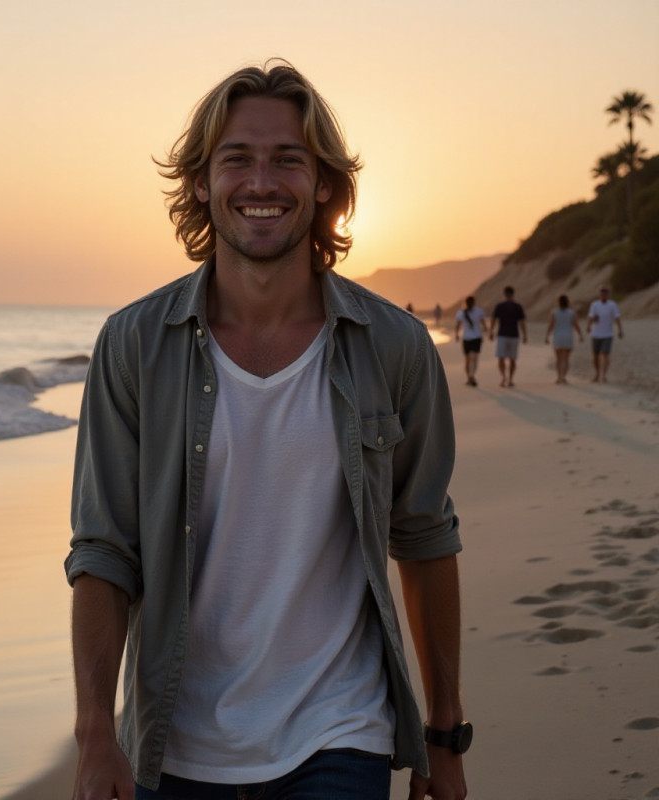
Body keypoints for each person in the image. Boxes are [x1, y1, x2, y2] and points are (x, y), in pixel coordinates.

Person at [65, 60, 469, 800]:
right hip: (172, 744)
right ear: (200, 183)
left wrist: (445, 737)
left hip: (340, 729)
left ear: (323, 186)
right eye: (236, 160)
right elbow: (103, 550)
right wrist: (95, 734)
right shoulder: (133, 345)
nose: (261, 182)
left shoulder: (395, 347)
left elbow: (424, 538)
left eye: (288, 159)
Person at [489, 285, 527, 387]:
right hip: (514, 335)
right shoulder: (517, 306)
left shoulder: (500, 306)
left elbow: (493, 320)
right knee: (512, 359)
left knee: (501, 358)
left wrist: (491, 331)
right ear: (513, 294)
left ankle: (504, 377)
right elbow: (522, 322)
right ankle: (510, 379)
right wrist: (524, 335)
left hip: (502, 335)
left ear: (504, 294)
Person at [586, 285, 623, 382]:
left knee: (605, 354)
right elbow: (591, 316)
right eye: (602, 293)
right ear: (599, 294)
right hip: (596, 333)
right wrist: (589, 325)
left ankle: (604, 375)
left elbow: (617, 317)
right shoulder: (594, 305)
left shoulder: (612, 305)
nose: (603, 295)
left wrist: (620, 330)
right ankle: (597, 373)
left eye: (605, 293)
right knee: (595, 356)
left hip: (607, 334)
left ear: (608, 294)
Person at [544, 295, 584, 384]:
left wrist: (547, 336)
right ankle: (564, 377)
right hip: (568, 337)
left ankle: (559, 377)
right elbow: (575, 325)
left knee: (558, 359)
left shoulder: (554, 312)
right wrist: (580, 335)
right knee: (566, 359)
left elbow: (551, 325)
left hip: (558, 336)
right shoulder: (571, 313)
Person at [454, 296, 486, 386]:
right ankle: (470, 376)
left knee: (472, 358)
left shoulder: (478, 312)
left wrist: (456, 334)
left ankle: (471, 376)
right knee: (470, 359)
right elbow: (458, 324)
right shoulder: (462, 313)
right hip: (469, 338)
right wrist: (456, 334)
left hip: (475, 337)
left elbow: (483, 322)